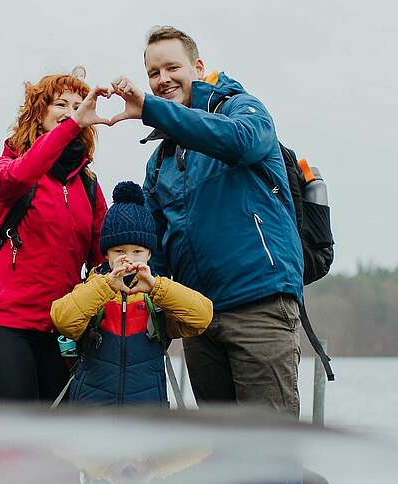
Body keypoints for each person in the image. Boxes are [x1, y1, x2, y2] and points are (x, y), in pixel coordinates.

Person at [107, 26, 306, 414]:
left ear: (197, 67)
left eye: (172, 68)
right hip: (199, 318)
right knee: (222, 457)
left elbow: (237, 141)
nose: (163, 80)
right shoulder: (159, 162)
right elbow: (157, 247)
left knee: (269, 457)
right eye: (153, 74)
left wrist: (149, 107)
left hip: (260, 307)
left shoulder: (243, 110)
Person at [0, 68, 116, 404]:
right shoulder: (6, 167)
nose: (71, 111)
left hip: (62, 331)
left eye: (79, 105)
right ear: (39, 113)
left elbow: (104, 257)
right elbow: (23, 172)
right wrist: (72, 126)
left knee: (59, 448)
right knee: (18, 443)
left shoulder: (89, 185)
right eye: (61, 104)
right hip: (6, 326)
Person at [49, 181, 212, 406]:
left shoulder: (158, 295)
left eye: (137, 251)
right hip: (90, 416)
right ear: (106, 254)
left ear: (148, 254)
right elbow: (62, 319)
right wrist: (107, 285)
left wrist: (156, 287)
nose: (129, 257)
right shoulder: (95, 288)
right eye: (119, 251)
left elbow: (202, 316)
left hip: (146, 417)